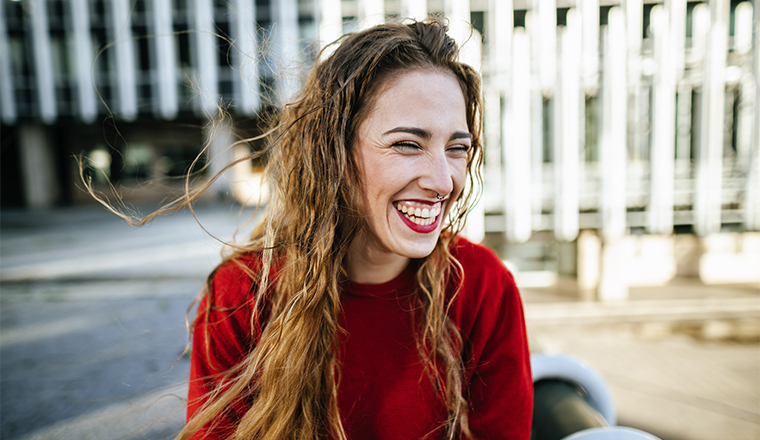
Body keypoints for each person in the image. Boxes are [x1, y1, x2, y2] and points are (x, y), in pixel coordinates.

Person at [178, 19, 532, 440]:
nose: (443, 181)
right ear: (335, 155)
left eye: (457, 148)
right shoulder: (243, 296)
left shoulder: (481, 285)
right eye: (407, 144)